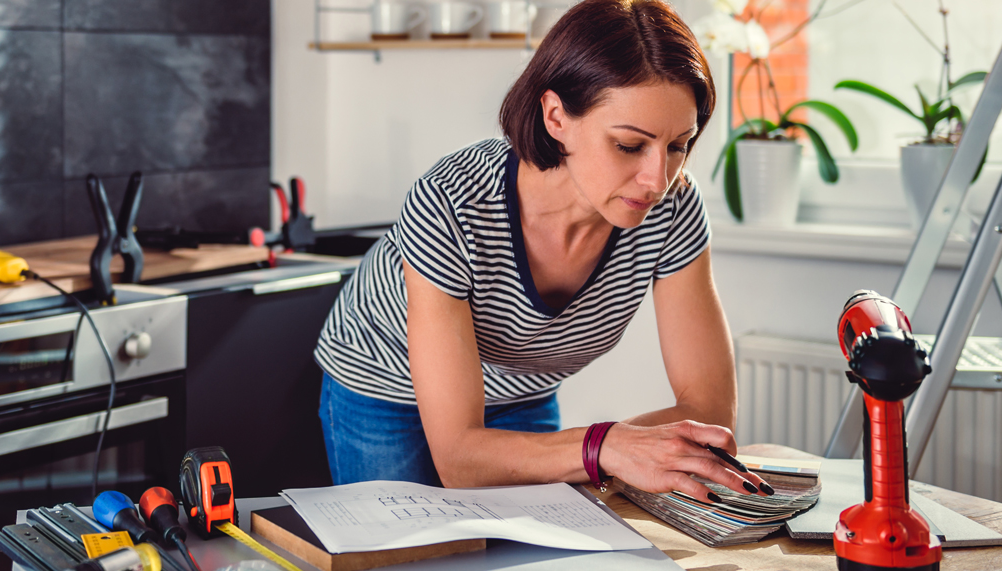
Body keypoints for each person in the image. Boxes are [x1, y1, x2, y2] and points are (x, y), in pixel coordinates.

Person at [313, 0, 772, 502]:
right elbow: (461, 459)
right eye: (628, 145)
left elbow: (708, 411)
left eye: (678, 145)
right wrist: (605, 447)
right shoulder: (451, 202)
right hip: (385, 386)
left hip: (521, 392)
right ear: (556, 116)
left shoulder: (672, 208)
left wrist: (612, 448)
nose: (657, 180)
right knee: (401, 553)